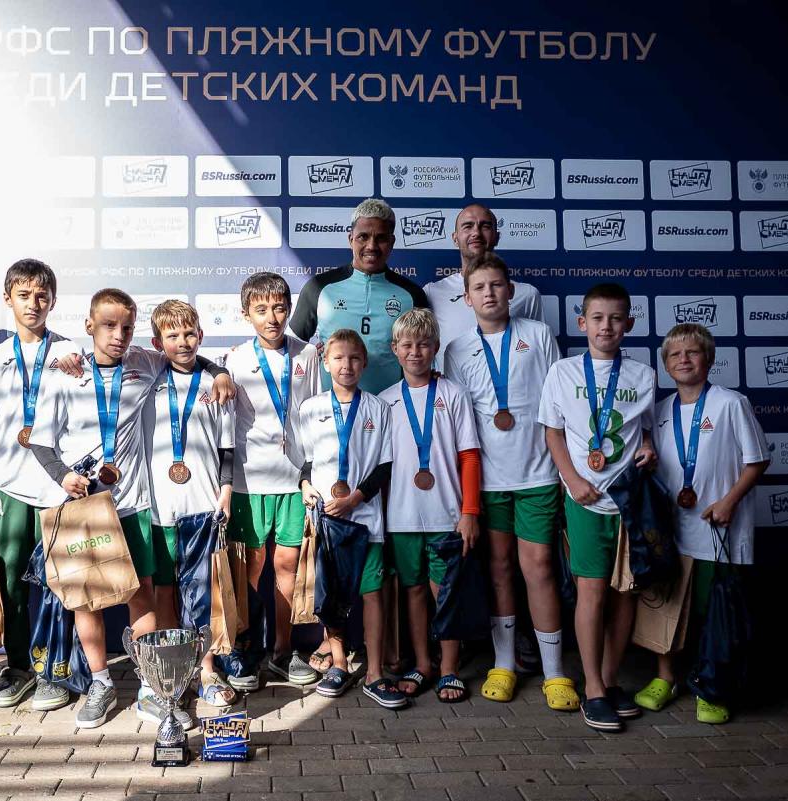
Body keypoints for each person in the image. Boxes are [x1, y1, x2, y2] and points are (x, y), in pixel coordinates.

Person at [27, 289, 232, 729]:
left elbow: (186, 357)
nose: (118, 335)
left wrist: (219, 372)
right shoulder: (64, 374)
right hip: (83, 506)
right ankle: (100, 683)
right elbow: (41, 442)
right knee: (87, 602)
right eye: (108, 325)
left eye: (126, 327)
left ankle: (150, 688)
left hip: (133, 504)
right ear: (89, 326)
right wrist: (63, 476)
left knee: (142, 594)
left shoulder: (144, 362)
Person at [443, 254, 576, 713]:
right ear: (467, 298)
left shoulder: (537, 335)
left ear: (511, 290)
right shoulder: (457, 349)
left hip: (538, 473)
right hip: (489, 479)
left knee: (538, 568)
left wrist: (566, 469)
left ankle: (554, 671)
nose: (489, 293)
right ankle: (504, 663)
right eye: (480, 287)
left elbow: (560, 401)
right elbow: (459, 420)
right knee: (499, 568)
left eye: (497, 285)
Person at [635, 323, 769, 725]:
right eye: (675, 355)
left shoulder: (731, 403)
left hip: (718, 531)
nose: (684, 360)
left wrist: (729, 501)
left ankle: (712, 687)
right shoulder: (660, 411)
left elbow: (757, 460)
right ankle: (666, 678)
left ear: (708, 359)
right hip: (672, 533)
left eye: (692, 352)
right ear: (665, 365)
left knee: (714, 614)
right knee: (668, 608)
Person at [538, 282, 657, 732]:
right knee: (591, 592)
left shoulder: (643, 376)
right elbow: (552, 432)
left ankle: (610, 679)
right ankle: (591, 688)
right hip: (585, 499)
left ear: (629, 324)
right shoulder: (563, 372)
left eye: (616, 318)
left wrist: (649, 448)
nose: (607, 326)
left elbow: (646, 430)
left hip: (628, 501)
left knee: (624, 593)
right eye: (598, 318)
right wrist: (573, 479)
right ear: (582, 322)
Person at [0, 259, 84, 712]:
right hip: (8, 484)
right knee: (11, 580)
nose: (33, 304)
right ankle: (18, 667)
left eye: (42, 296)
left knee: (62, 579)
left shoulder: (71, 351)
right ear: (8, 299)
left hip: (57, 484)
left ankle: (57, 668)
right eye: (23, 295)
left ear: (53, 301)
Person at [221, 273, 322, 688]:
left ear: (289, 308)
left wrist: (309, 473)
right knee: (250, 565)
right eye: (261, 310)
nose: (272, 317)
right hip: (248, 480)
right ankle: (244, 651)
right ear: (246, 314)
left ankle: (283, 651)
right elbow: (225, 424)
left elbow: (316, 415)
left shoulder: (308, 354)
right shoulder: (233, 359)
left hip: (294, 481)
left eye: (279, 308)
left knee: (287, 565)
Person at [297, 330, 403, 708]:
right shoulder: (310, 408)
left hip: (365, 519)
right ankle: (339, 665)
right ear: (326, 363)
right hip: (328, 520)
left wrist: (355, 498)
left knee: (372, 593)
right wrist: (305, 485)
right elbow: (305, 460)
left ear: (365, 363)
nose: (347, 365)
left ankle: (374, 673)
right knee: (333, 594)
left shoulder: (379, 408)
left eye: (355, 358)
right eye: (339, 358)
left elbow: (385, 465)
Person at [379, 309, 481, 703]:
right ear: (395, 349)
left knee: (446, 593)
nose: (415, 352)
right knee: (414, 591)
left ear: (435, 347)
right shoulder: (385, 401)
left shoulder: (453, 394)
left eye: (423, 344)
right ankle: (423, 663)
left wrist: (469, 512)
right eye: (407, 345)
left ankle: (450, 667)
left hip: (446, 515)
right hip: (401, 517)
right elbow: (382, 467)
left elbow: (469, 456)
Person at [144, 299, 238, 708]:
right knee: (164, 590)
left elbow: (227, 448)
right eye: (172, 335)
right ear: (157, 342)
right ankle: (172, 669)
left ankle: (206, 670)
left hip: (202, 502)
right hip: (157, 506)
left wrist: (226, 491)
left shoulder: (216, 384)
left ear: (201, 335)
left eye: (189, 334)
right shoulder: (145, 378)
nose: (182, 342)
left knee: (201, 593)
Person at [289, 198, 430, 394]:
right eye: (363, 237)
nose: (371, 246)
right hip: (332, 408)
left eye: (381, 238)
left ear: (392, 242)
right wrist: (312, 354)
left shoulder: (412, 295)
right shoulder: (319, 287)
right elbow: (289, 348)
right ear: (351, 239)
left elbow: (427, 353)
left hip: (394, 407)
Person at [424, 204, 546, 357]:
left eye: (485, 226)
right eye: (468, 226)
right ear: (455, 238)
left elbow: (538, 352)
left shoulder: (528, 294)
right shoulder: (432, 292)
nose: (476, 233)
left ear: (496, 237)